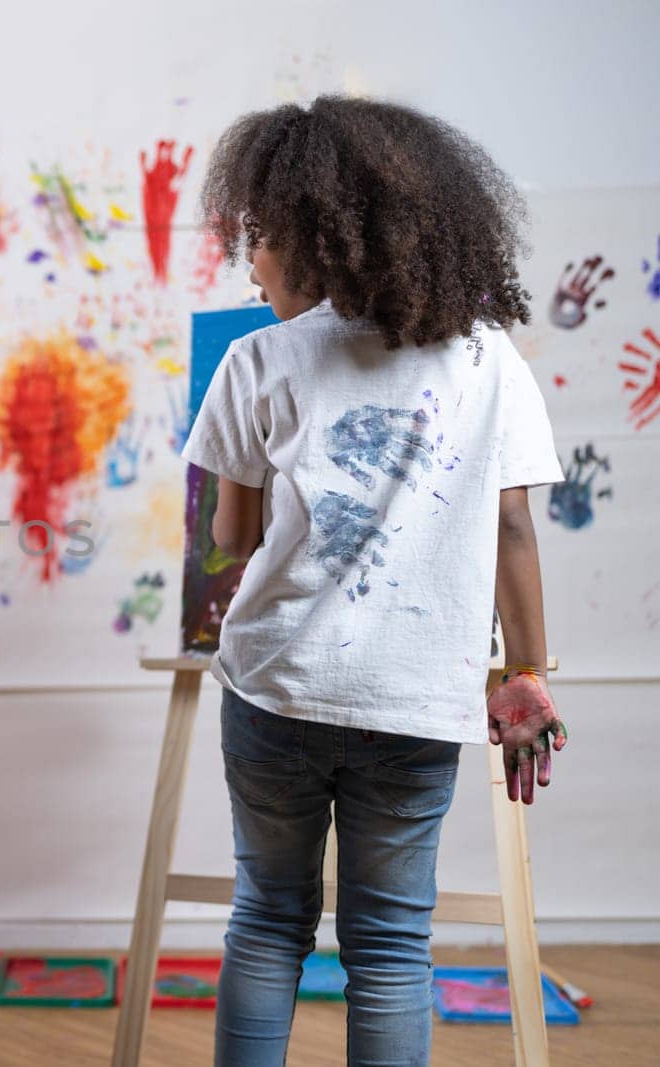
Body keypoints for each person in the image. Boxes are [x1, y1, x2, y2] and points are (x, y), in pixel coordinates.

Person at [183, 95, 568, 1066]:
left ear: (318, 237)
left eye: (262, 239)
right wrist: (524, 668)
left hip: (274, 690)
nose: (251, 264)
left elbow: (228, 541)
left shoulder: (255, 358)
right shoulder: (488, 361)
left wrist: (251, 520)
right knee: (392, 945)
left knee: (266, 920)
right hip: (415, 697)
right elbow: (512, 525)